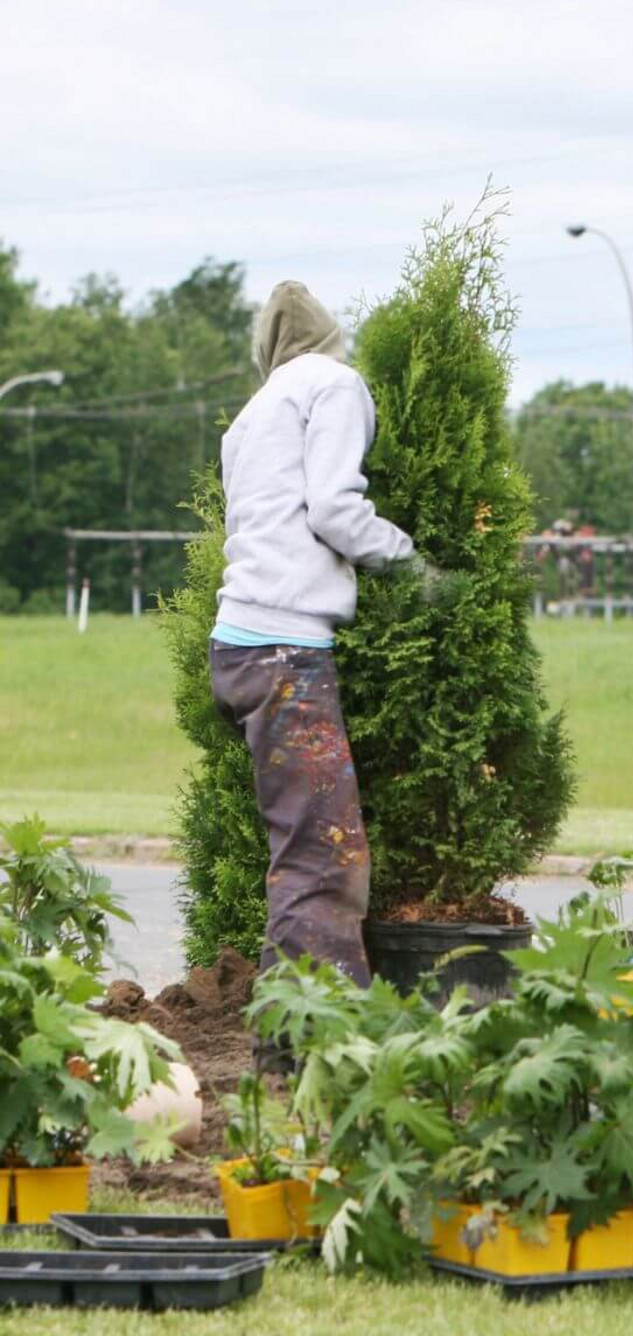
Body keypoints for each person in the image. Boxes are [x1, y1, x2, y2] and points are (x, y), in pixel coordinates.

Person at [208, 282, 415, 986]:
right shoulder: (333, 382)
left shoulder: (251, 415)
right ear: (329, 336)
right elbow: (333, 510)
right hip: (284, 653)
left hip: (239, 648)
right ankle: (310, 1036)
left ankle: (289, 1029)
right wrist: (412, 563)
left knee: (303, 850)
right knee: (325, 861)